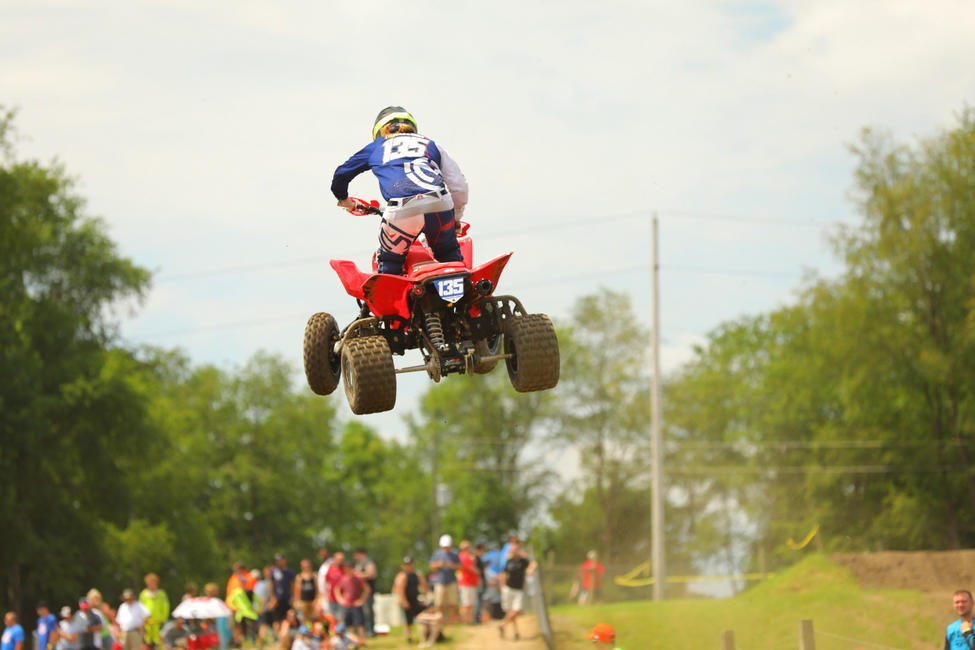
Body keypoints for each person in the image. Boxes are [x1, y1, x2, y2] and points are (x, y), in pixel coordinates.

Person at [330, 106, 468, 276]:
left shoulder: (377, 146)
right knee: (449, 253)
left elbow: (341, 174)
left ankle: (390, 300)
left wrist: (344, 199)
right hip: (439, 203)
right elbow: (458, 184)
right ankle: (466, 289)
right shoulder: (431, 144)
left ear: (380, 130)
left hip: (402, 210)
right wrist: (456, 218)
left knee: (390, 261)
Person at [498, 537, 537, 641]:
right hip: (508, 589)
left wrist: (530, 569)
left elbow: (533, 564)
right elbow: (504, 574)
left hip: (518, 590)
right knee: (512, 612)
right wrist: (502, 585)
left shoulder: (523, 561)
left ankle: (503, 625)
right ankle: (516, 633)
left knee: (517, 610)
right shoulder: (508, 561)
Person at [392, 556, 429, 645]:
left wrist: (424, 598)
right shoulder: (402, 576)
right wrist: (404, 602)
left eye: (410, 564)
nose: (409, 566)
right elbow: (399, 590)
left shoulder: (417, 575)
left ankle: (425, 634)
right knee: (408, 621)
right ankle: (409, 637)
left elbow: (425, 586)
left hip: (416, 600)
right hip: (407, 602)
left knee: (424, 616)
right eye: (407, 565)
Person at [429, 534, 461, 624]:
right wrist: (439, 564)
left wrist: (451, 565)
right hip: (440, 582)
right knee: (439, 603)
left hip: (452, 581)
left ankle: (451, 622)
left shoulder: (455, 554)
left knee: (453, 603)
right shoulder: (437, 554)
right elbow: (431, 566)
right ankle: (440, 622)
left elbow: (460, 566)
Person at [335, 562, 369, 640]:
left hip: (355, 604)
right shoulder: (343, 578)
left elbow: (367, 589)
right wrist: (340, 599)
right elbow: (337, 589)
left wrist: (361, 600)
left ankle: (362, 640)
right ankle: (352, 641)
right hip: (347, 605)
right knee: (349, 624)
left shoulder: (358, 578)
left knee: (359, 623)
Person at [139, 573, 170, 650]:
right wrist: (142, 620)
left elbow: (166, 606)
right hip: (147, 623)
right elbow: (140, 608)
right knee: (147, 643)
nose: (152, 584)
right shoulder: (143, 594)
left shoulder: (162, 594)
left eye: (153, 582)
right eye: (150, 583)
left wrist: (164, 619)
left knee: (159, 642)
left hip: (158, 623)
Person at [352, 549, 377, 638]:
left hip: (368, 593)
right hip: (360, 593)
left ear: (361, 554)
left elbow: (371, 574)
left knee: (368, 612)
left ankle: (370, 631)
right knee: (362, 613)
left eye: (356, 555)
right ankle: (364, 631)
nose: (355, 557)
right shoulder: (358, 564)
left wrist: (358, 575)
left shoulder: (368, 562)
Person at [269, 555, 295, 636]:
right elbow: (271, 585)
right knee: (276, 619)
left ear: (284, 560)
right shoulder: (274, 572)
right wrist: (272, 597)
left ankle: (285, 636)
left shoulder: (290, 572)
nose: (279, 562)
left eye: (280, 560)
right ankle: (277, 638)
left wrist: (292, 597)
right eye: (277, 560)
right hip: (277, 599)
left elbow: (292, 585)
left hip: (287, 599)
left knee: (287, 619)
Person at [457, 541, 480, 624]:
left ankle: (470, 621)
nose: (468, 549)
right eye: (466, 547)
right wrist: (479, 571)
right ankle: (465, 621)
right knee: (466, 604)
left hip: (472, 583)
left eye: (469, 547)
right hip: (465, 584)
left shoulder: (470, 557)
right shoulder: (463, 556)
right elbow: (472, 569)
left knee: (471, 604)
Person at [291, 559, 317, 626]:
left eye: (307, 566)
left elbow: (317, 589)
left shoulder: (314, 576)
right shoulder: (299, 577)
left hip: (312, 601)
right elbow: (297, 591)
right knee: (303, 619)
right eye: (304, 566)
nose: (306, 567)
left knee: (313, 619)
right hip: (303, 601)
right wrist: (297, 601)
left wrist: (316, 599)